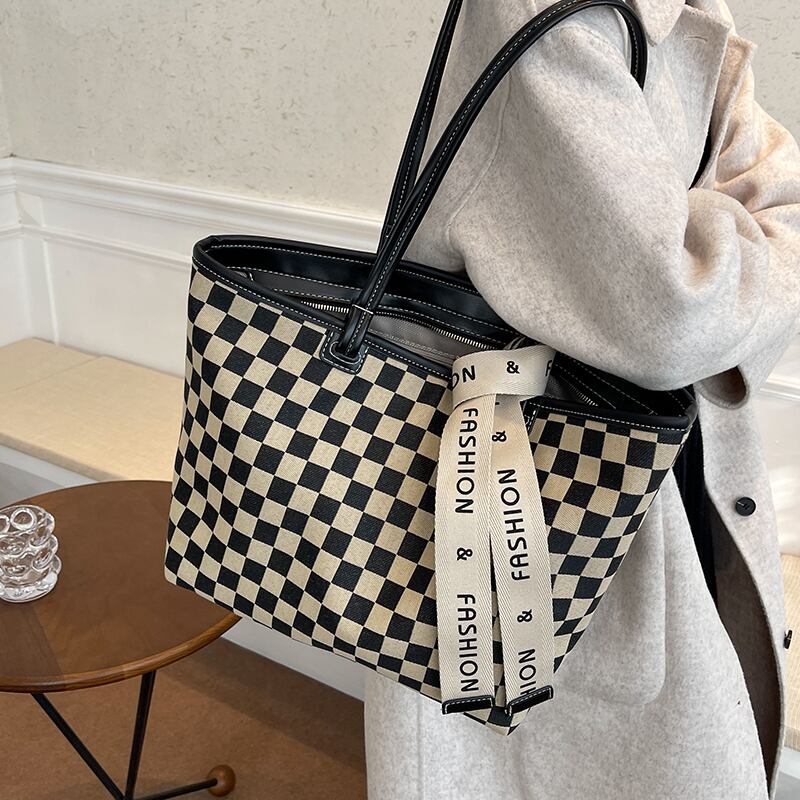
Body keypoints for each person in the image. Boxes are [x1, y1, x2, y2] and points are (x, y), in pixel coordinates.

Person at [364, 1, 800, 798]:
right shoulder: (546, 14)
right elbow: (674, 312)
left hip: (642, 460)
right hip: (531, 480)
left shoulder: (689, 8)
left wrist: (691, 232)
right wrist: (730, 226)